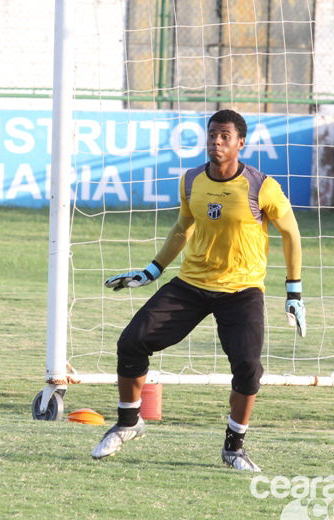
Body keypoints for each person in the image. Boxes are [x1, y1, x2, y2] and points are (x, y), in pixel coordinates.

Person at [93, 109, 306, 472]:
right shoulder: (191, 179)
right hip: (191, 284)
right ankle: (129, 423)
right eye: (211, 135)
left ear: (241, 143)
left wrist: (294, 291)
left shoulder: (262, 186)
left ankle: (234, 448)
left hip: (242, 290)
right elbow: (183, 226)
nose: (216, 142)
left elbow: (291, 233)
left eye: (224, 136)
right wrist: (153, 269)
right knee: (131, 342)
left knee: (249, 369)